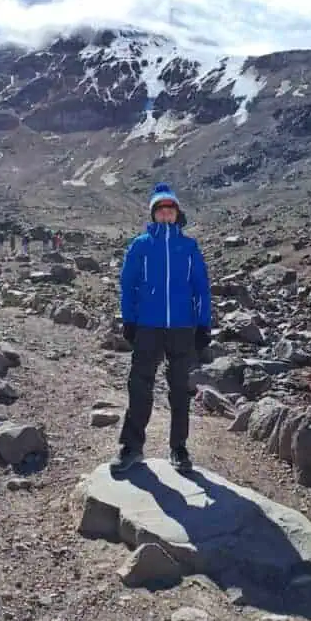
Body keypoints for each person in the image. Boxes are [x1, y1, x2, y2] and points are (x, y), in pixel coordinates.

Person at [112, 183, 212, 475]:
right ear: (154, 214)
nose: (166, 214)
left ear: (177, 214)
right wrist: (129, 320)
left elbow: (201, 288)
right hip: (148, 325)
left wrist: (203, 324)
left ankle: (178, 448)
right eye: (161, 209)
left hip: (182, 326)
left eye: (171, 209)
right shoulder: (141, 245)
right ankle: (132, 447)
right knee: (139, 385)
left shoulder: (189, 247)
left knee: (179, 389)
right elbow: (128, 285)